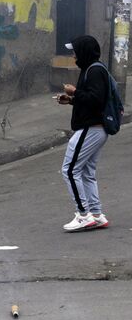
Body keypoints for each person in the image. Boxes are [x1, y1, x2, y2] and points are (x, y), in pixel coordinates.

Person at [57, 35, 110, 231]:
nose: (73, 55)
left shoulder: (94, 71)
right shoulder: (92, 69)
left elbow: (96, 99)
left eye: (75, 51)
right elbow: (92, 100)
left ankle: (83, 214)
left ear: (84, 52)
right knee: (87, 172)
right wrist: (71, 100)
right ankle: (96, 215)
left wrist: (74, 92)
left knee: (69, 170)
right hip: (95, 128)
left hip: (91, 128)